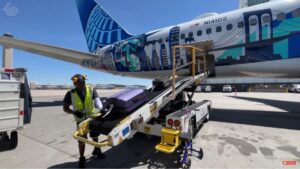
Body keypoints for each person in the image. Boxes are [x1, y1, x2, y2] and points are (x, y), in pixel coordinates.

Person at [63, 74, 105, 168]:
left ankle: (97, 150)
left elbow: (97, 100)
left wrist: (101, 108)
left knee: (95, 136)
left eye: (83, 82)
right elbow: (65, 108)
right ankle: (82, 158)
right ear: (75, 84)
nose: (82, 84)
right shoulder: (71, 93)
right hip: (81, 121)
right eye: (80, 83)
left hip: (92, 117)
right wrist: (74, 112)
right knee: (81, 140)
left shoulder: (91, 89)